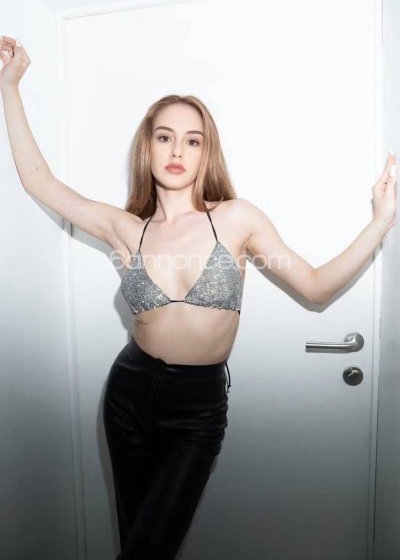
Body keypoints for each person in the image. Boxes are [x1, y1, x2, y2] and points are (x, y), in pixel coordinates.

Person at [0, 34, 396, 560]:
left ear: (206, 151)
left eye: (192, 140)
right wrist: (10, 86)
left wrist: (380, 222)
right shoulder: (126, 228)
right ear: (147, 147)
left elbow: (316, 286)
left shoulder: (235, 219)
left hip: (197, 408)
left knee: (148, 548)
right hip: (128, 394)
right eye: (165, 137)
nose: (177, 151)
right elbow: (41, 183)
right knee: (135, 537)